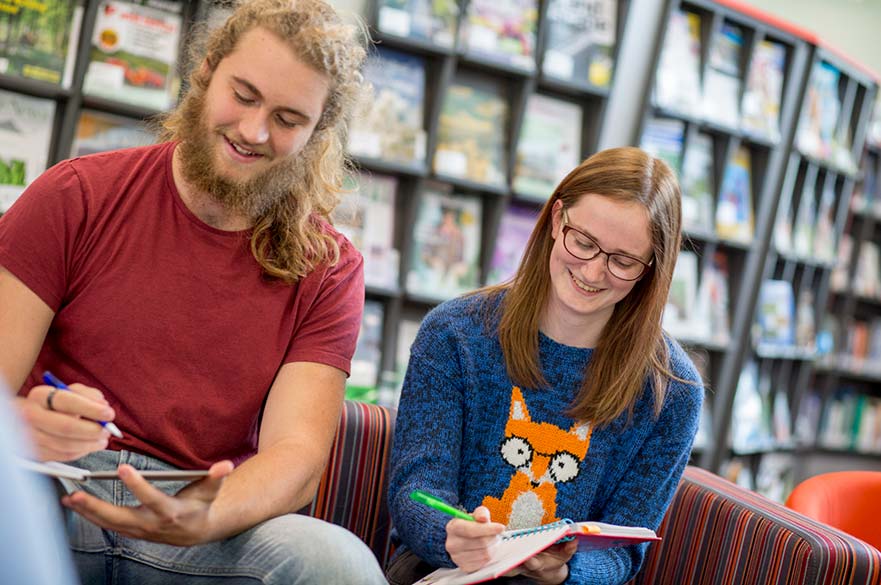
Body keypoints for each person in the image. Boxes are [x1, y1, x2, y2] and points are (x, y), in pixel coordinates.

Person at [0, 0, 387, 583]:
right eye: (245, 95)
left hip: (199, 518)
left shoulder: (329, 268)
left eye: (287, 119)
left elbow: (297, 459)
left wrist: (204, 513)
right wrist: (22, 422)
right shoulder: (75, 195)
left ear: (317, 130)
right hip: (48, 490)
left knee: (338, 564)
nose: (254, 131)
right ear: (206, 71)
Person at [387, 146, 704, 585]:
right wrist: (450, 534)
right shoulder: (454, 334)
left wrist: (567, 570)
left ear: (651, 269)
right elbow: (416, 490)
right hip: (443, 569)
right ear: (557, 220)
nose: (593, 272)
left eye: (622, 261)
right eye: (584, 242)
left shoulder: (674, 392)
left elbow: (626, 552)